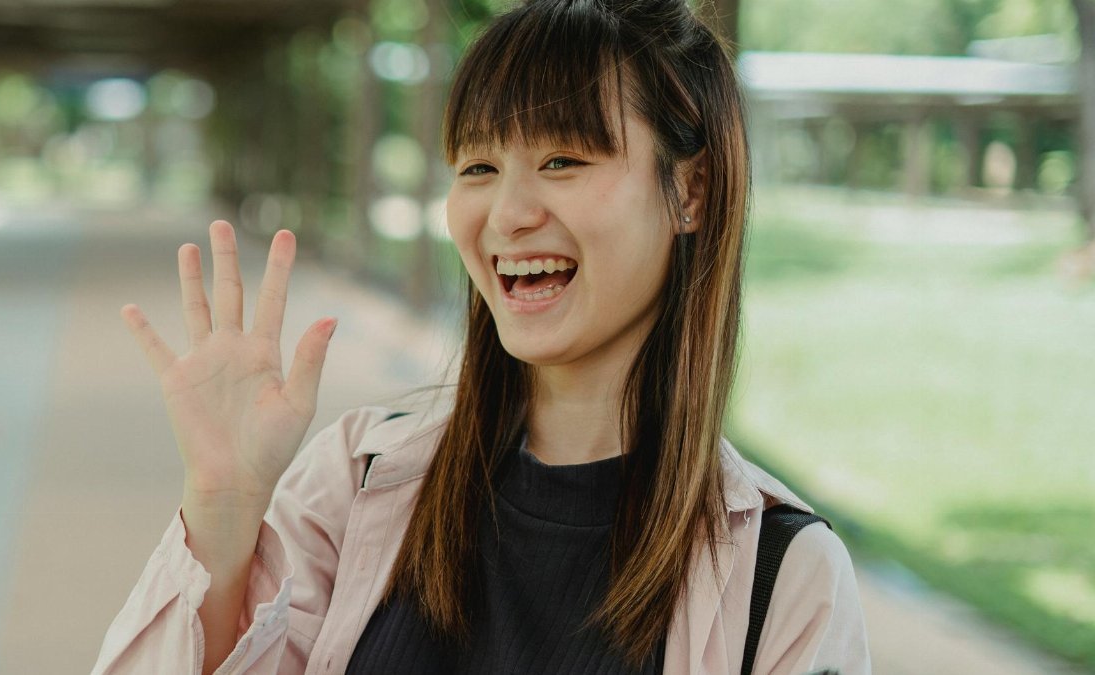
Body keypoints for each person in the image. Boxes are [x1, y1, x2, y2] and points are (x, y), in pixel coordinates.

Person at [93, 0, 871, 672]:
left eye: (563, 159)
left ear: (690, 190)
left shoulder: (783, 577)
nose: (506, 214)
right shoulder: (357, 483)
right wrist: (223, 513)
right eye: (476, 167)